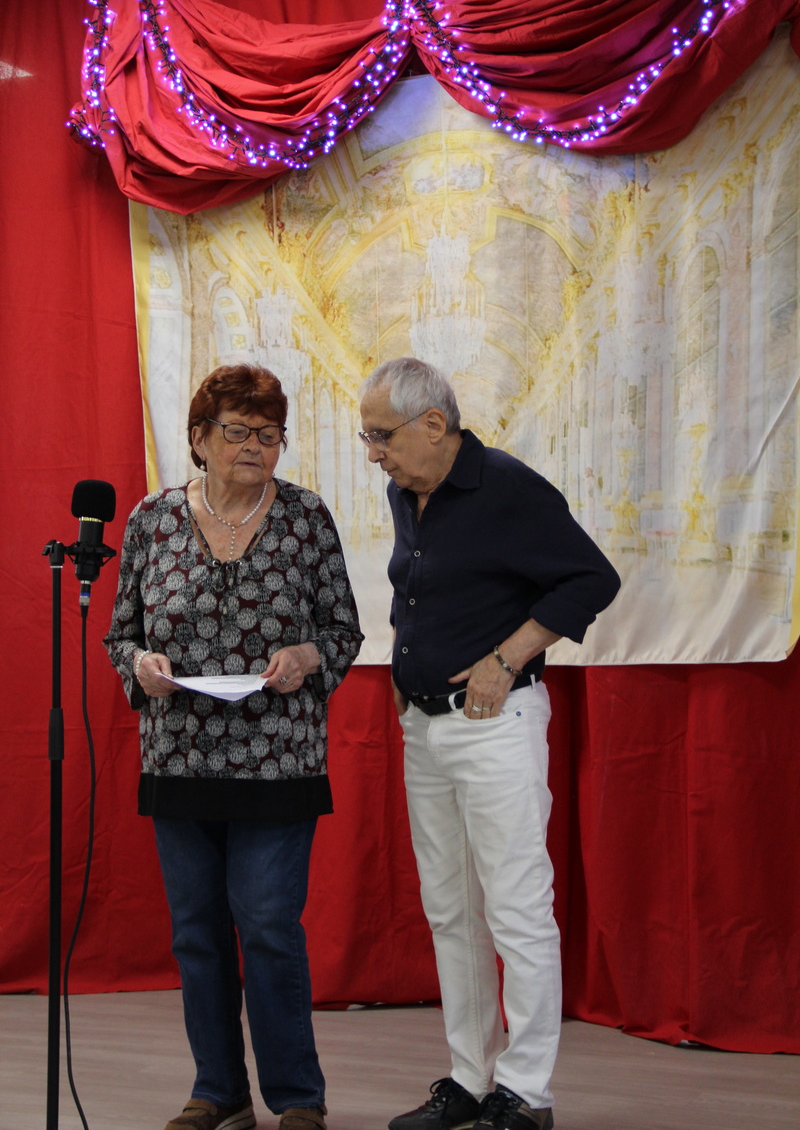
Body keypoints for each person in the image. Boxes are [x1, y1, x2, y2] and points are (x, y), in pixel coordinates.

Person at [359, 358, 620, 1130]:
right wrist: (405, 661)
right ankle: (470, 1079)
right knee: (451, 911)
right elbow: (420, 588)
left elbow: (590, 579)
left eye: (381, 437)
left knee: (516, 908)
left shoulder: (506, 486)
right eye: (368, 438)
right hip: (424, 730)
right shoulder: (406, 491)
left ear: (434, 424)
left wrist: (508, 658)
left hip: (494, 729)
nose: (374, 453)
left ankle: (527, 1092)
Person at [105, 364, 363, 1130]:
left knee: (269, 926)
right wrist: (140, 666)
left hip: (278, 760)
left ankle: (298, 1098)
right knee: (197, 934)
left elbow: (343, 632)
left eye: (269, 434)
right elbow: (122, 635)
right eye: (239, 431)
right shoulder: (152, 519)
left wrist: (307, 657)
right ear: (199, 438)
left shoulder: (306, 518)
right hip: (179, 758)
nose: (255, 446)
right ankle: (218, 1091)